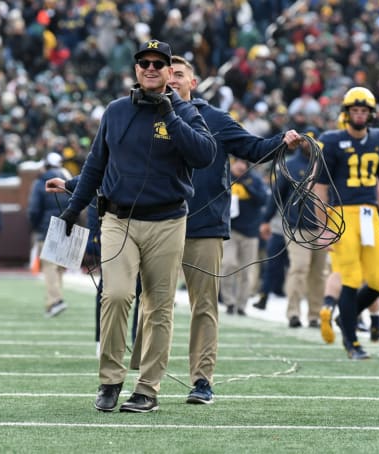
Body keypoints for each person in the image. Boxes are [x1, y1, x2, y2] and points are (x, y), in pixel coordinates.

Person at [130, 55, 303, 404]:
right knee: (153, 305)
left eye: (180, 75)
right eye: (169, 73)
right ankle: (147, 381)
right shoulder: (142, 115)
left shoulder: (214, 119)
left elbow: (252, 148)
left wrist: (282, 142)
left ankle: (202, 380)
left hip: (203, 225)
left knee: (204, 304)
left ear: (192, 84)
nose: (173, 79)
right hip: (158, 223)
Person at [56, 40, 217, 413]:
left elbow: (204, 155)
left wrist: (171, 115)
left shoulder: (186, 111)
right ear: (135, 69)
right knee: (115, 295)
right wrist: (72, 208)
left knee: (158, 306)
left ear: (166, 72)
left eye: (158, 64)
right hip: (118, 219)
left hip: (167, 221)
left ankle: (147, 389)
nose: (150, 68)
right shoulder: (114, 112)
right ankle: (110, 380)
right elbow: (96, 165)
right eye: (143, 62)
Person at [314, 86, 379, 360]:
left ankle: (345, 317)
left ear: (371, 114)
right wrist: (323, 227)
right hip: (342, 214)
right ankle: (352, 342)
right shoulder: (331, 141)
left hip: (370, 216)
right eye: (354, 110)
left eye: (363, 111)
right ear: (347, 113)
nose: (358, 115)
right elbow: (319, 187)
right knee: (351, 279)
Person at [260, 137, 328, 329]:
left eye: (314, 140)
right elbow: (278, 193)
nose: (310, 144)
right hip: (297, 226)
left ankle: (315, 315)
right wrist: (266, 219)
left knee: (319, 273)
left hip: (323, 227)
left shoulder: (326, 164)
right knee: (299, 268)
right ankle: (293, 313)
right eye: (307, 140)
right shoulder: (290, 165)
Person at [220, 158, 268, 316]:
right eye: (237, 162)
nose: (240, 166)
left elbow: (263, 200)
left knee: (246, 271)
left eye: (243, 162)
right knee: (227, 264)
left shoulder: (254, 179)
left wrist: (247, 186)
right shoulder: (224, 176)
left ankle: (241, 305)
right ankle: (229, 301)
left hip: (250, 232)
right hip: (230, 230)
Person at [28, 152, 72, 317]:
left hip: (47, 229)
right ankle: (53, 301)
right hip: (66, 227)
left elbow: (34, 209)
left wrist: (35, 226)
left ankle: (56, 300)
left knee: (49, 267)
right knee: (59, 267)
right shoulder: (69, 180)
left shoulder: (40, 183)